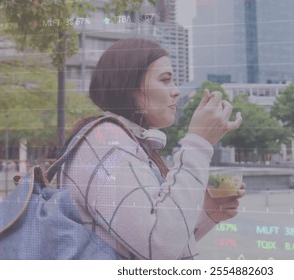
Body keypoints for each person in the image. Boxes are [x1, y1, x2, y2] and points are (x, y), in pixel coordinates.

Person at [60, 38, 244, 260]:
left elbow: (154, 241)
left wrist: (207, 212)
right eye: (165, 80)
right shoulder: (107, 142)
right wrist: (198, 142)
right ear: (129, 88)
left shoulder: (126, 142)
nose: (176, 91)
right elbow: (159, 246)